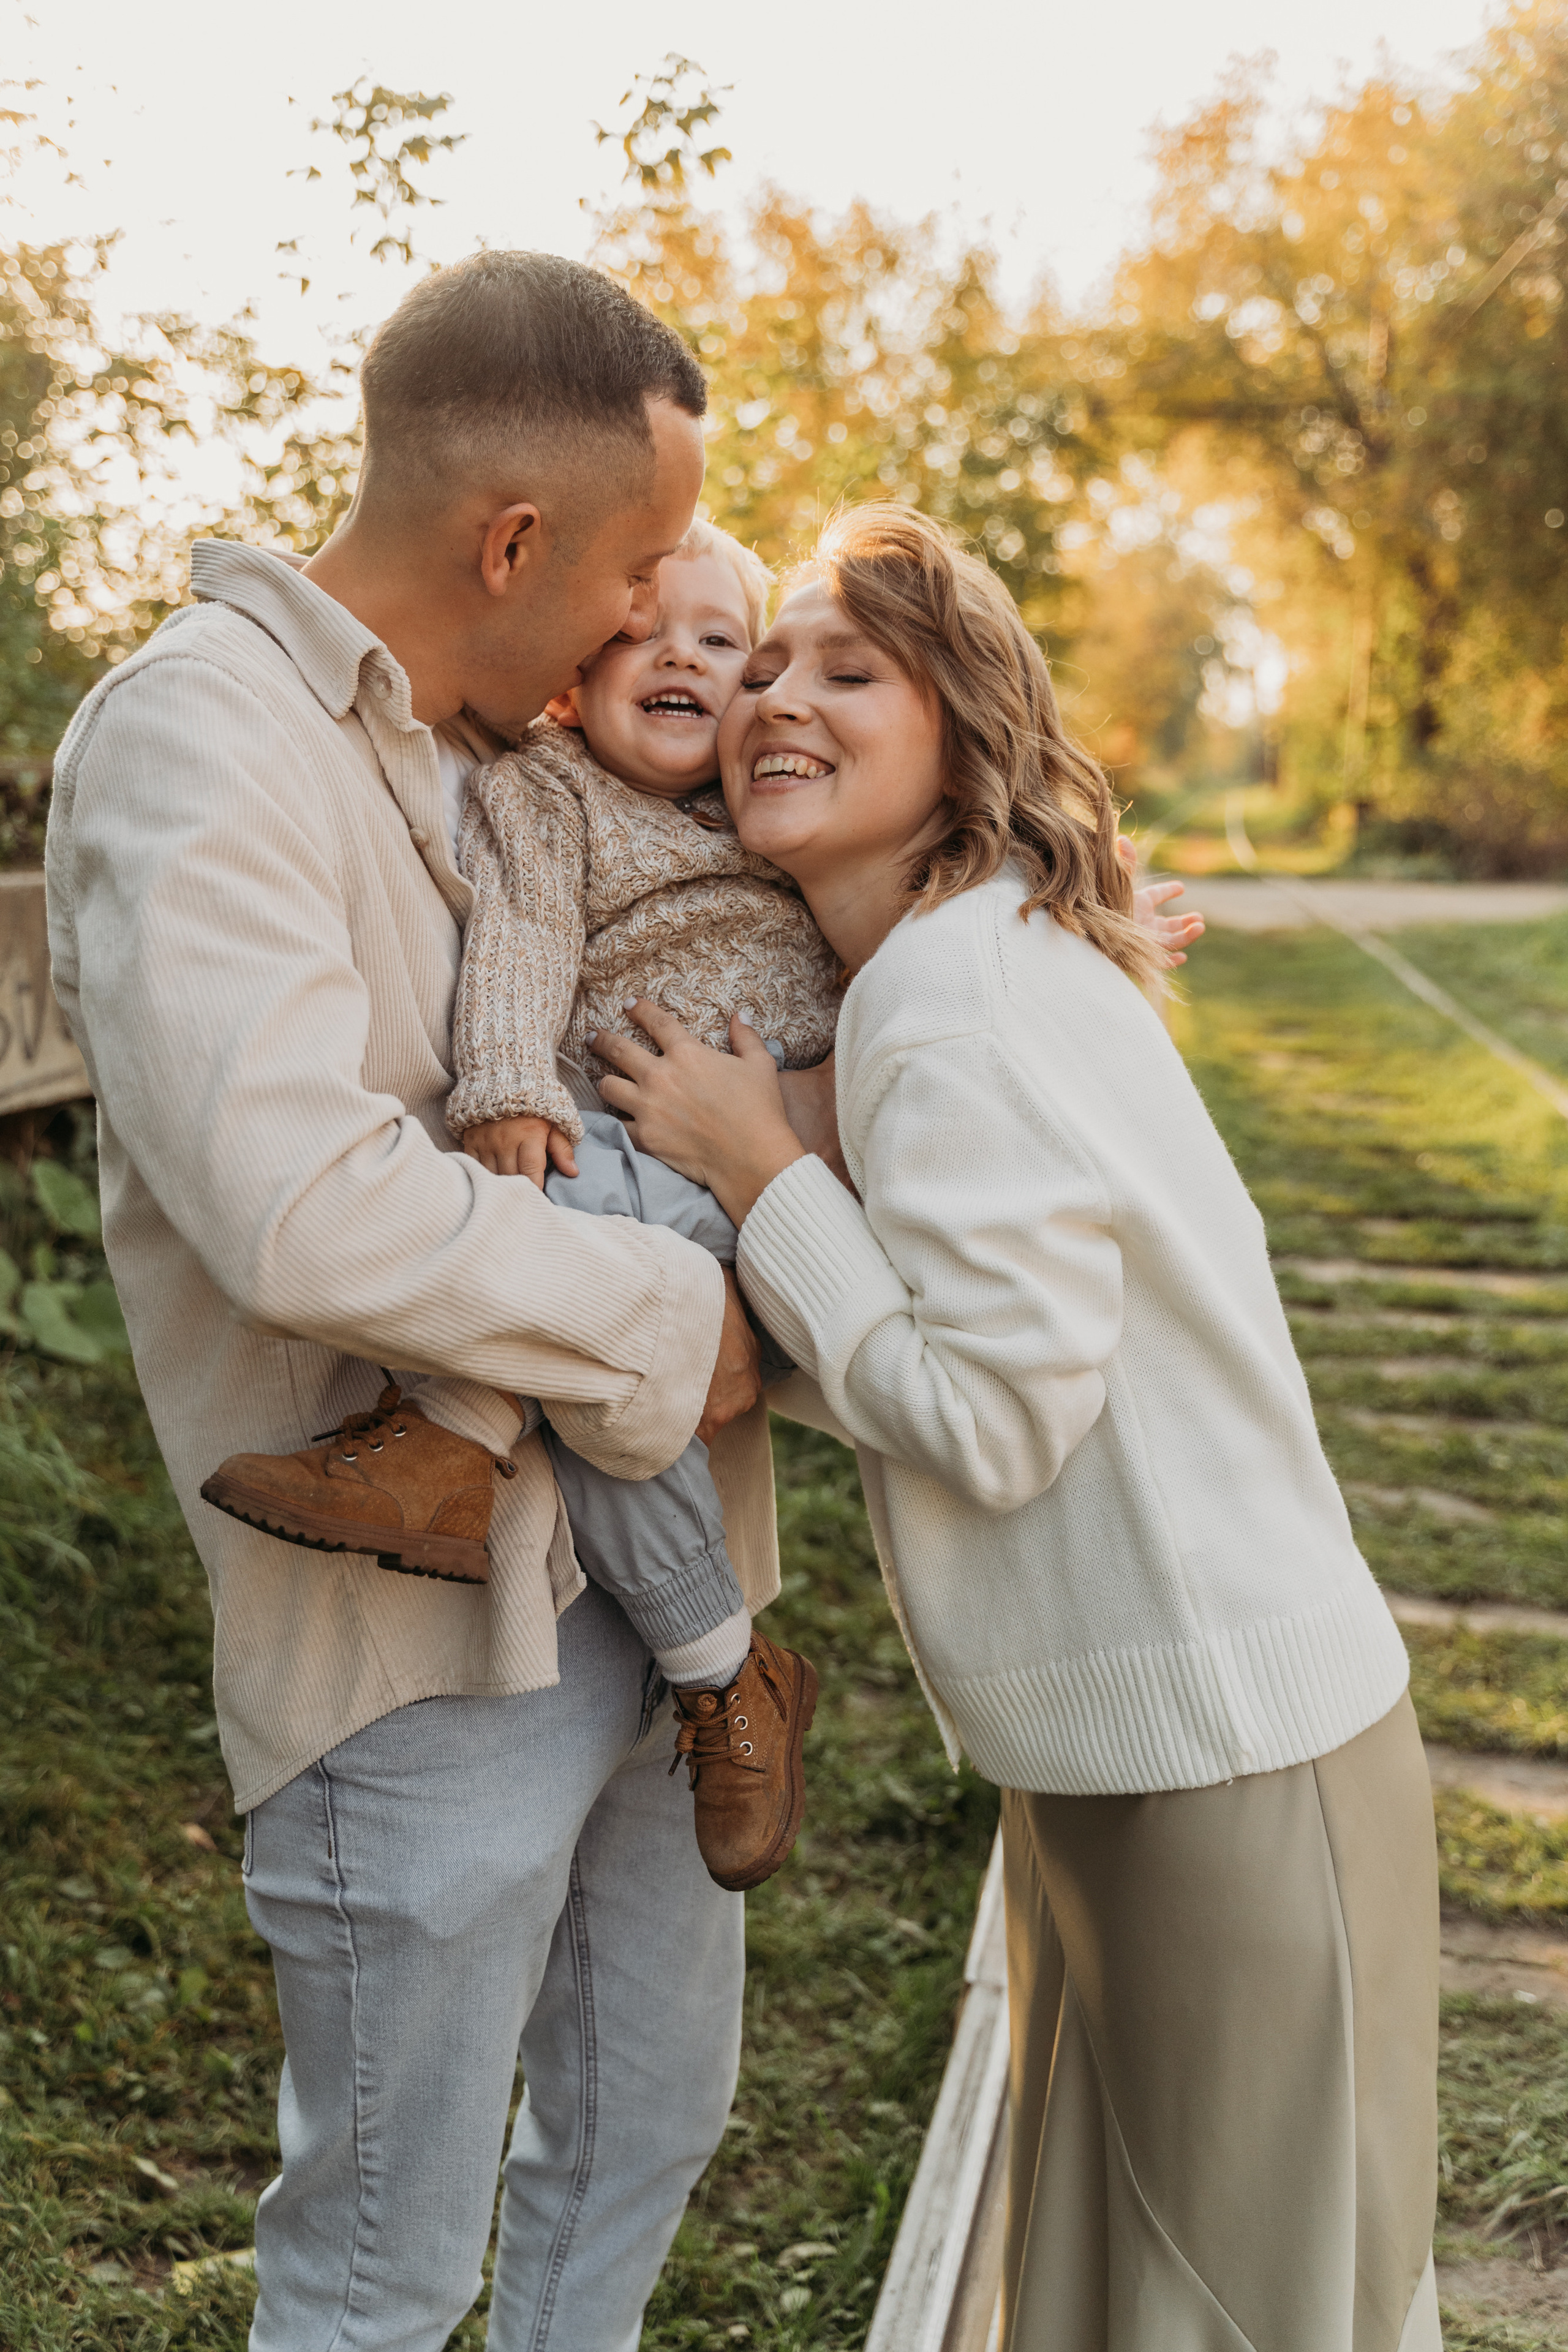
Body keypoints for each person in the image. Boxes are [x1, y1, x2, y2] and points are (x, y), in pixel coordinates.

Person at [587, 502, 1442, 2352]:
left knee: (1243, 2311)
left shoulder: (949, 1000)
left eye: (848, 668)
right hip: (1158, 1744)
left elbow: (989, 1421)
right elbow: (971, 1339)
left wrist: (758, 1172)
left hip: (1227, 1756)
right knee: (1123, 2293)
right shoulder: (957, 965)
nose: (772, 698)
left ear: (963, 731)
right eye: (763, 663)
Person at [45, 251, 779, 2352]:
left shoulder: (526, 752)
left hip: (674, 1607)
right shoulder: (207, 735)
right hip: (417, 1652)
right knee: (387, 2273)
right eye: (634, 572)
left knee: (639, 2144)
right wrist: (687, 1328)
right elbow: (304, 1207)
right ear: (516, 542)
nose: (651, 623)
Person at [201, 519, 835, 1894]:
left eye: (721, 643)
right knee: (594, 1370)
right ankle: (725, 1680)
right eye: (639, 635)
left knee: (573, 1302)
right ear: (569, 686)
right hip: (626, 1158)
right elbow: (524, 940)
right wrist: (500, 1083)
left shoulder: (782, 802)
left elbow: (928, 855)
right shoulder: (546, 792)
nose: (680, 657)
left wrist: (1060, 891)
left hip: (788, 1179)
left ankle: (447, 1432)